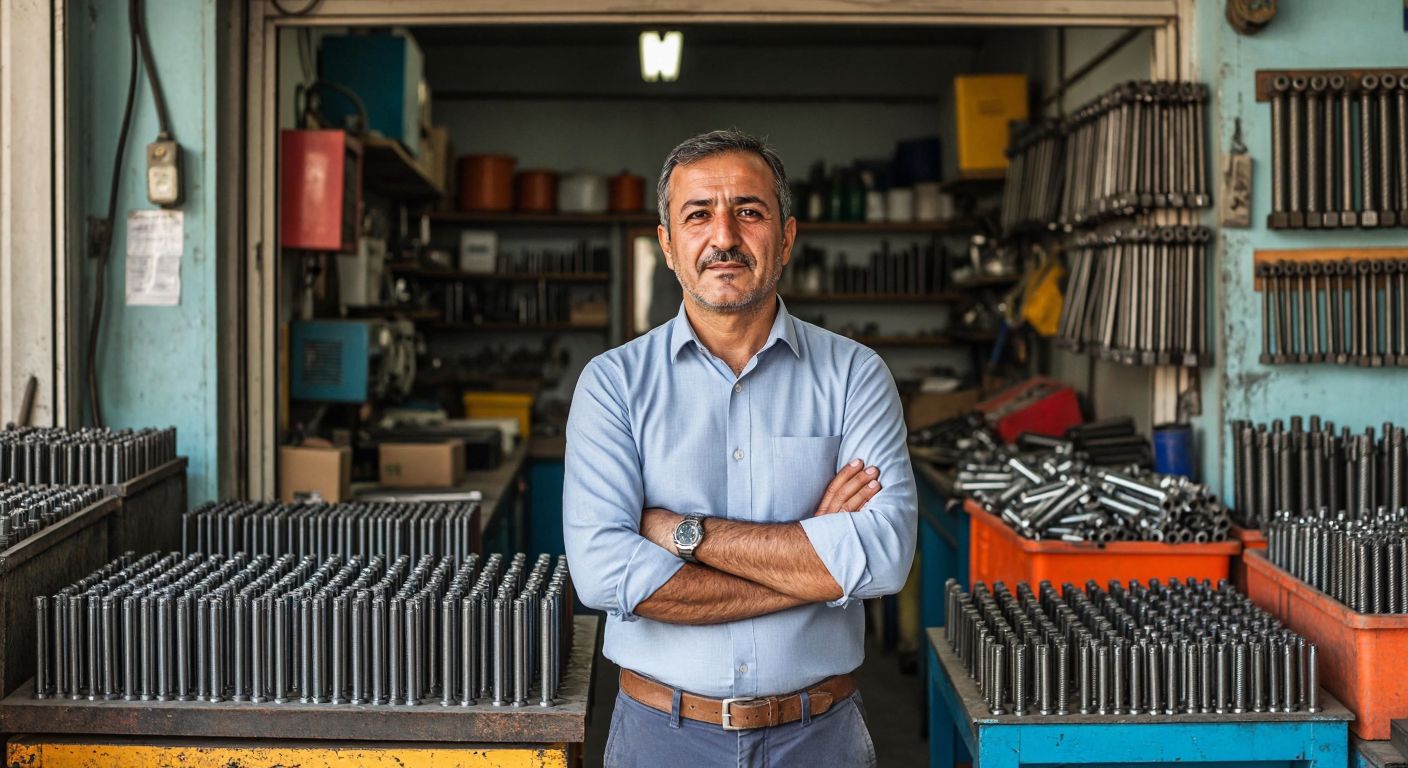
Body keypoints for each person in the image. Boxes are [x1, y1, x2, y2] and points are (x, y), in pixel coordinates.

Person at [564, 129, 917, 768]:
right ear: (668, 245)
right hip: (661, 738)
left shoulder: (855, 376)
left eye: (748, 213)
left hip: (821, 737)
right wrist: (818, 559)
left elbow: (885, 558)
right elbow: (603, 573)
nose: (723, 238)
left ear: (785, 237)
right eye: (698, 215)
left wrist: (683, 535)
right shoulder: (612, 384)